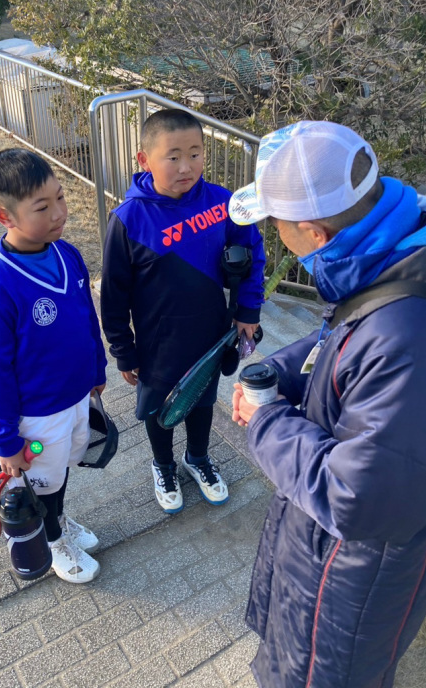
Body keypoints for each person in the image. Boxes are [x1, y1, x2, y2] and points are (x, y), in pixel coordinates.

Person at [229, 120, 426, 687]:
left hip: (354, 576)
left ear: (313, 232)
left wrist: (266, 420)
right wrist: (281, 372)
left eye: (277, 224)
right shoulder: (403, 245)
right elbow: (348, 333)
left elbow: (360, 500)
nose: (277, 237)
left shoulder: (410, 336)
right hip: (332, 558)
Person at [101, 108, 265, 513]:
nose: (186, 166)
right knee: (158, 408)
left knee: (203, 399)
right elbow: (114, 294)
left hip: (211, 331)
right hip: (156, 340)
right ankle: (163, 465)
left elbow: (253, 254)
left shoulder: (224, 203)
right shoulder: (129, 219)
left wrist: (249, 309)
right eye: (173, 156)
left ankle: (198, 458)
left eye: (195, 153)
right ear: (144, 160)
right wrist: (123, 350)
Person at [0, 148, 108, 584]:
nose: (59, 213)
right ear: (4, 216)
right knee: (43, 480)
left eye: (60, 197)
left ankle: (57, 519)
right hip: (38, 416)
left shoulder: (67, 254)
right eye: (42, 207)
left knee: (60, 472)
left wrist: (97, 369)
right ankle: (54, 539)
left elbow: (86, 316)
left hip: (77, 396)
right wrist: (6, 442)